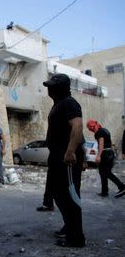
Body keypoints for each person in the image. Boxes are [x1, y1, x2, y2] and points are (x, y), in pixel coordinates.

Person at [43, 73, 85, 247]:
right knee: (57, 193)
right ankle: (69, 227)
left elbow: (77, 126)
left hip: (65, 156)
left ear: (60, 88)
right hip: (57, 155)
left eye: (52, 86)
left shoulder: (69, 103)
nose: (49, 89)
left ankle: (76, 238)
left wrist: (70, 151)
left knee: (69, 195)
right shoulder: (59, 104)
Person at [86, 119, 125, 198]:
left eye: (90, 128)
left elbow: (101, 144)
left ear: (92, 126)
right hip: (110, 153)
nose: (90, 130)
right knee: (102, 172)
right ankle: (104, 191)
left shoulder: (99, 133)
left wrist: (98, 156)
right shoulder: (104, 130)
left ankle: (122, 187)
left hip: (105, 154)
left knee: (106, 172)